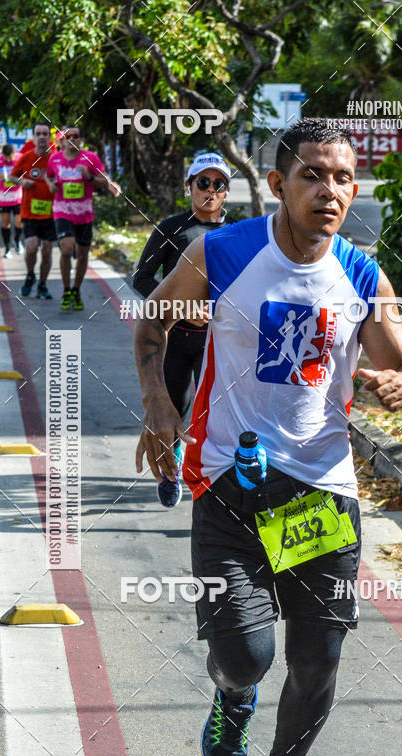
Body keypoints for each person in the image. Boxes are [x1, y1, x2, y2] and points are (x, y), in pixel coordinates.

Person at [133, 120, 402, 756]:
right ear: (277, 184)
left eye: (342, 178)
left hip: (322, 489)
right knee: (247, 656)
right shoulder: (224, 252)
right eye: (312, 175)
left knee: (318, 661)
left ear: (354, 189)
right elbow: (152, 324)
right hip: (230, 483)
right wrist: (159, 403)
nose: (329, 190)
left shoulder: (361, 274)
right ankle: (233, 696)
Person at [133, 151, 232, 507]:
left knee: (220, 411)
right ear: (189, 186)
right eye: (203, 182)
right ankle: (170, 475)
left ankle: (218, 477)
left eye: (218, 184)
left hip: (217, 341)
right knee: (173, 409)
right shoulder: (172, 228)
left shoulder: (235, 233)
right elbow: (141, 278)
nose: (210, 190)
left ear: (226, 192)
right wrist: (180, 308)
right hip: (174, 339)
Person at [45, 125, 121, 312]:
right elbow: (48, 176)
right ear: (61, 140)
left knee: (83, 254)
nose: (72, 139)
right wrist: (51, 185)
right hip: (62, 210)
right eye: (67, 136)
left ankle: (76, 290)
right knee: (67, 248)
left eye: (76, 136)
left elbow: (106, 180)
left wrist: (89, 177)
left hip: (84, 213)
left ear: (81, 139)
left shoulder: (90, 158)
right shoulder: (55, 159)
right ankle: (66, 290)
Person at [10, 122, 56, 299]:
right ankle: (30, 275)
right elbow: (12, 176)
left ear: (49, 137)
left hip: (51, 213)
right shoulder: (26, 157)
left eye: (45, 133)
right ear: (34, 137)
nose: (42, 137)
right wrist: (22, 182)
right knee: (31, 247)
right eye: (39, 134)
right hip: (29, 211)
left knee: (46, 249)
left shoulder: (56, 158)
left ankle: (43, 285)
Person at [0, 144, 23, 258]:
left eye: (11, 157)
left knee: (19, 222)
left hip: (18, 196)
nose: (9, 160)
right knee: (6, 223)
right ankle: (7, 248)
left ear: (15, 153)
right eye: (6, 158)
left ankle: (17, 240)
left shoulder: (21, 158)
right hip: (4, 197)